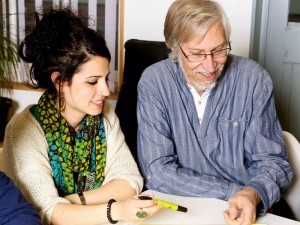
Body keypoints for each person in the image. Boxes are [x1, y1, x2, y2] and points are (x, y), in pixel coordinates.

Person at [136, 0, 293, 225]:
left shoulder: (253, 79)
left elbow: (274, 162)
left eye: (219, 50)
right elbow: (158, 172)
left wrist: (253, 193)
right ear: (174, 46)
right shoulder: (155, 82)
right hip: (182, 209)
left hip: (245, 211)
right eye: (197, 54)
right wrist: (235, 191)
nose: (210, 67)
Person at [3, 8, 161, 225]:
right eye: (92, 81)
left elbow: (130, 181)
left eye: (106, 79)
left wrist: (73, 202)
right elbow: (48, 213)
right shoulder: (24, 130)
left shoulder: (104, 116)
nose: (105, 91)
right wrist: (116, 209)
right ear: (59, 82)